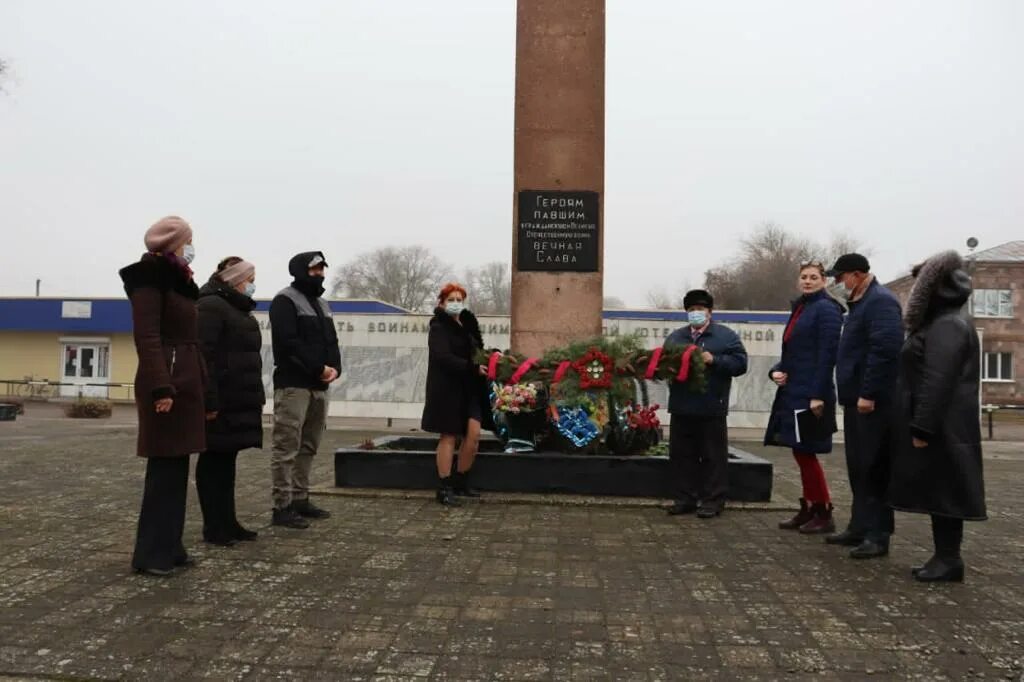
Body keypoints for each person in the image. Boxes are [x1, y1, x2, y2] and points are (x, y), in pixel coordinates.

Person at [890, 250, 986, 583]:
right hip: (942, 423)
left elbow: (938, 379)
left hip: (944, 425)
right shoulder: (943, 323)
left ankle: (949, 559)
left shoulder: (948, 326)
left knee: (946, 490)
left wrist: (923, 426)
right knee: (939, 490)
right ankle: (944, 557)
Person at [119, 216, 205, 577]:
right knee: (163, 471)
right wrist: (161, 386)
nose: (192, 247)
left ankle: (171, 545)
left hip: (184, 381)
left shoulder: (180, 281)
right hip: (167, 383)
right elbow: (148, 337)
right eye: (189, 241)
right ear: (175, 243)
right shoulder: (149, 279)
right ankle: (151, 554)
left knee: (175, 468)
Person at [825, 253, 904, 559]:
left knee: (874, 467)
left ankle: (878, 534)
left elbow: (885, 351)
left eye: (840, 277)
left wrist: (868, 393)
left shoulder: (881, 302)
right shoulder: (859, 304)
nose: (838, 283)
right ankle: (859, 526)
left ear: (857, 275)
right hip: (855, 401)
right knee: (858, 466)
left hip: (872, 402)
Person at [765, 261, 844, 534]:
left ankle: (824, 511)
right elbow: (793, 354)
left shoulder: (827, 310)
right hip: (793, 391)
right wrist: (777, 371)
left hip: (811, 395)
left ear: (824, 281)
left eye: (813, 277)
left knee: (808, 453)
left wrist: (817, 395)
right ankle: (809, 507)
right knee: (800, 452)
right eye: (804, 277)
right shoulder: (801, 308)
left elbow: (827, 356)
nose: (808, 281)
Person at [196, 257, 265, 546]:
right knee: (213, 462)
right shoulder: (211, 306)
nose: (252, 284)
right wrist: (209, 402)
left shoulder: (238, 308)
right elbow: (204, 357)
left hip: (237, 399)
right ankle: (213, 526)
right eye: (250, 278)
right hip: (220, 400)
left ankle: (229, 521)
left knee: (227, 462)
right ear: (235, 278)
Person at [269, 251, 341, 528]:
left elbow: (331, 341)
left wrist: (335, 367)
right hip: (294, 385)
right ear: (301, 270)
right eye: (314, 268)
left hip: (320, 386)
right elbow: (288, 343)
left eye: (322, 268)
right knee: (286, 447)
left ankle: (300, 498)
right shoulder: (285, 301)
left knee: (309, 445)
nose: (320, 273)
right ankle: (282, 505)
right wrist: (316, 368)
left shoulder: (322, 303)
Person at [664, 289, 748, 519]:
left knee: (713, 455)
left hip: (712, 405)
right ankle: (685, 498)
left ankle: (713, 500)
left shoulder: (725, 336)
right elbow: (664, 363)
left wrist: (715, 360)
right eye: (691, 310)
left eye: (700, 309)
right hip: (682, 405)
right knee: (681, 456)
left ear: (709, 311)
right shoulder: (676, 337)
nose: (695, 313)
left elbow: (741, 364)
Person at [421, 283, 488, 507]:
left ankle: (461, 480)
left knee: (474, 434)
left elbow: (477, 354)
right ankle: (444, 486)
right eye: (451, 299)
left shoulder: (469, 325)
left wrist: (492, 359)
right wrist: (472, 367)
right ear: (441, 302)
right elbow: (443, 357)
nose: (456, 303)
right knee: (449, 436)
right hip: (447, 390)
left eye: (459, 299)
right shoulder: (438, 327)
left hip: (469, 388)